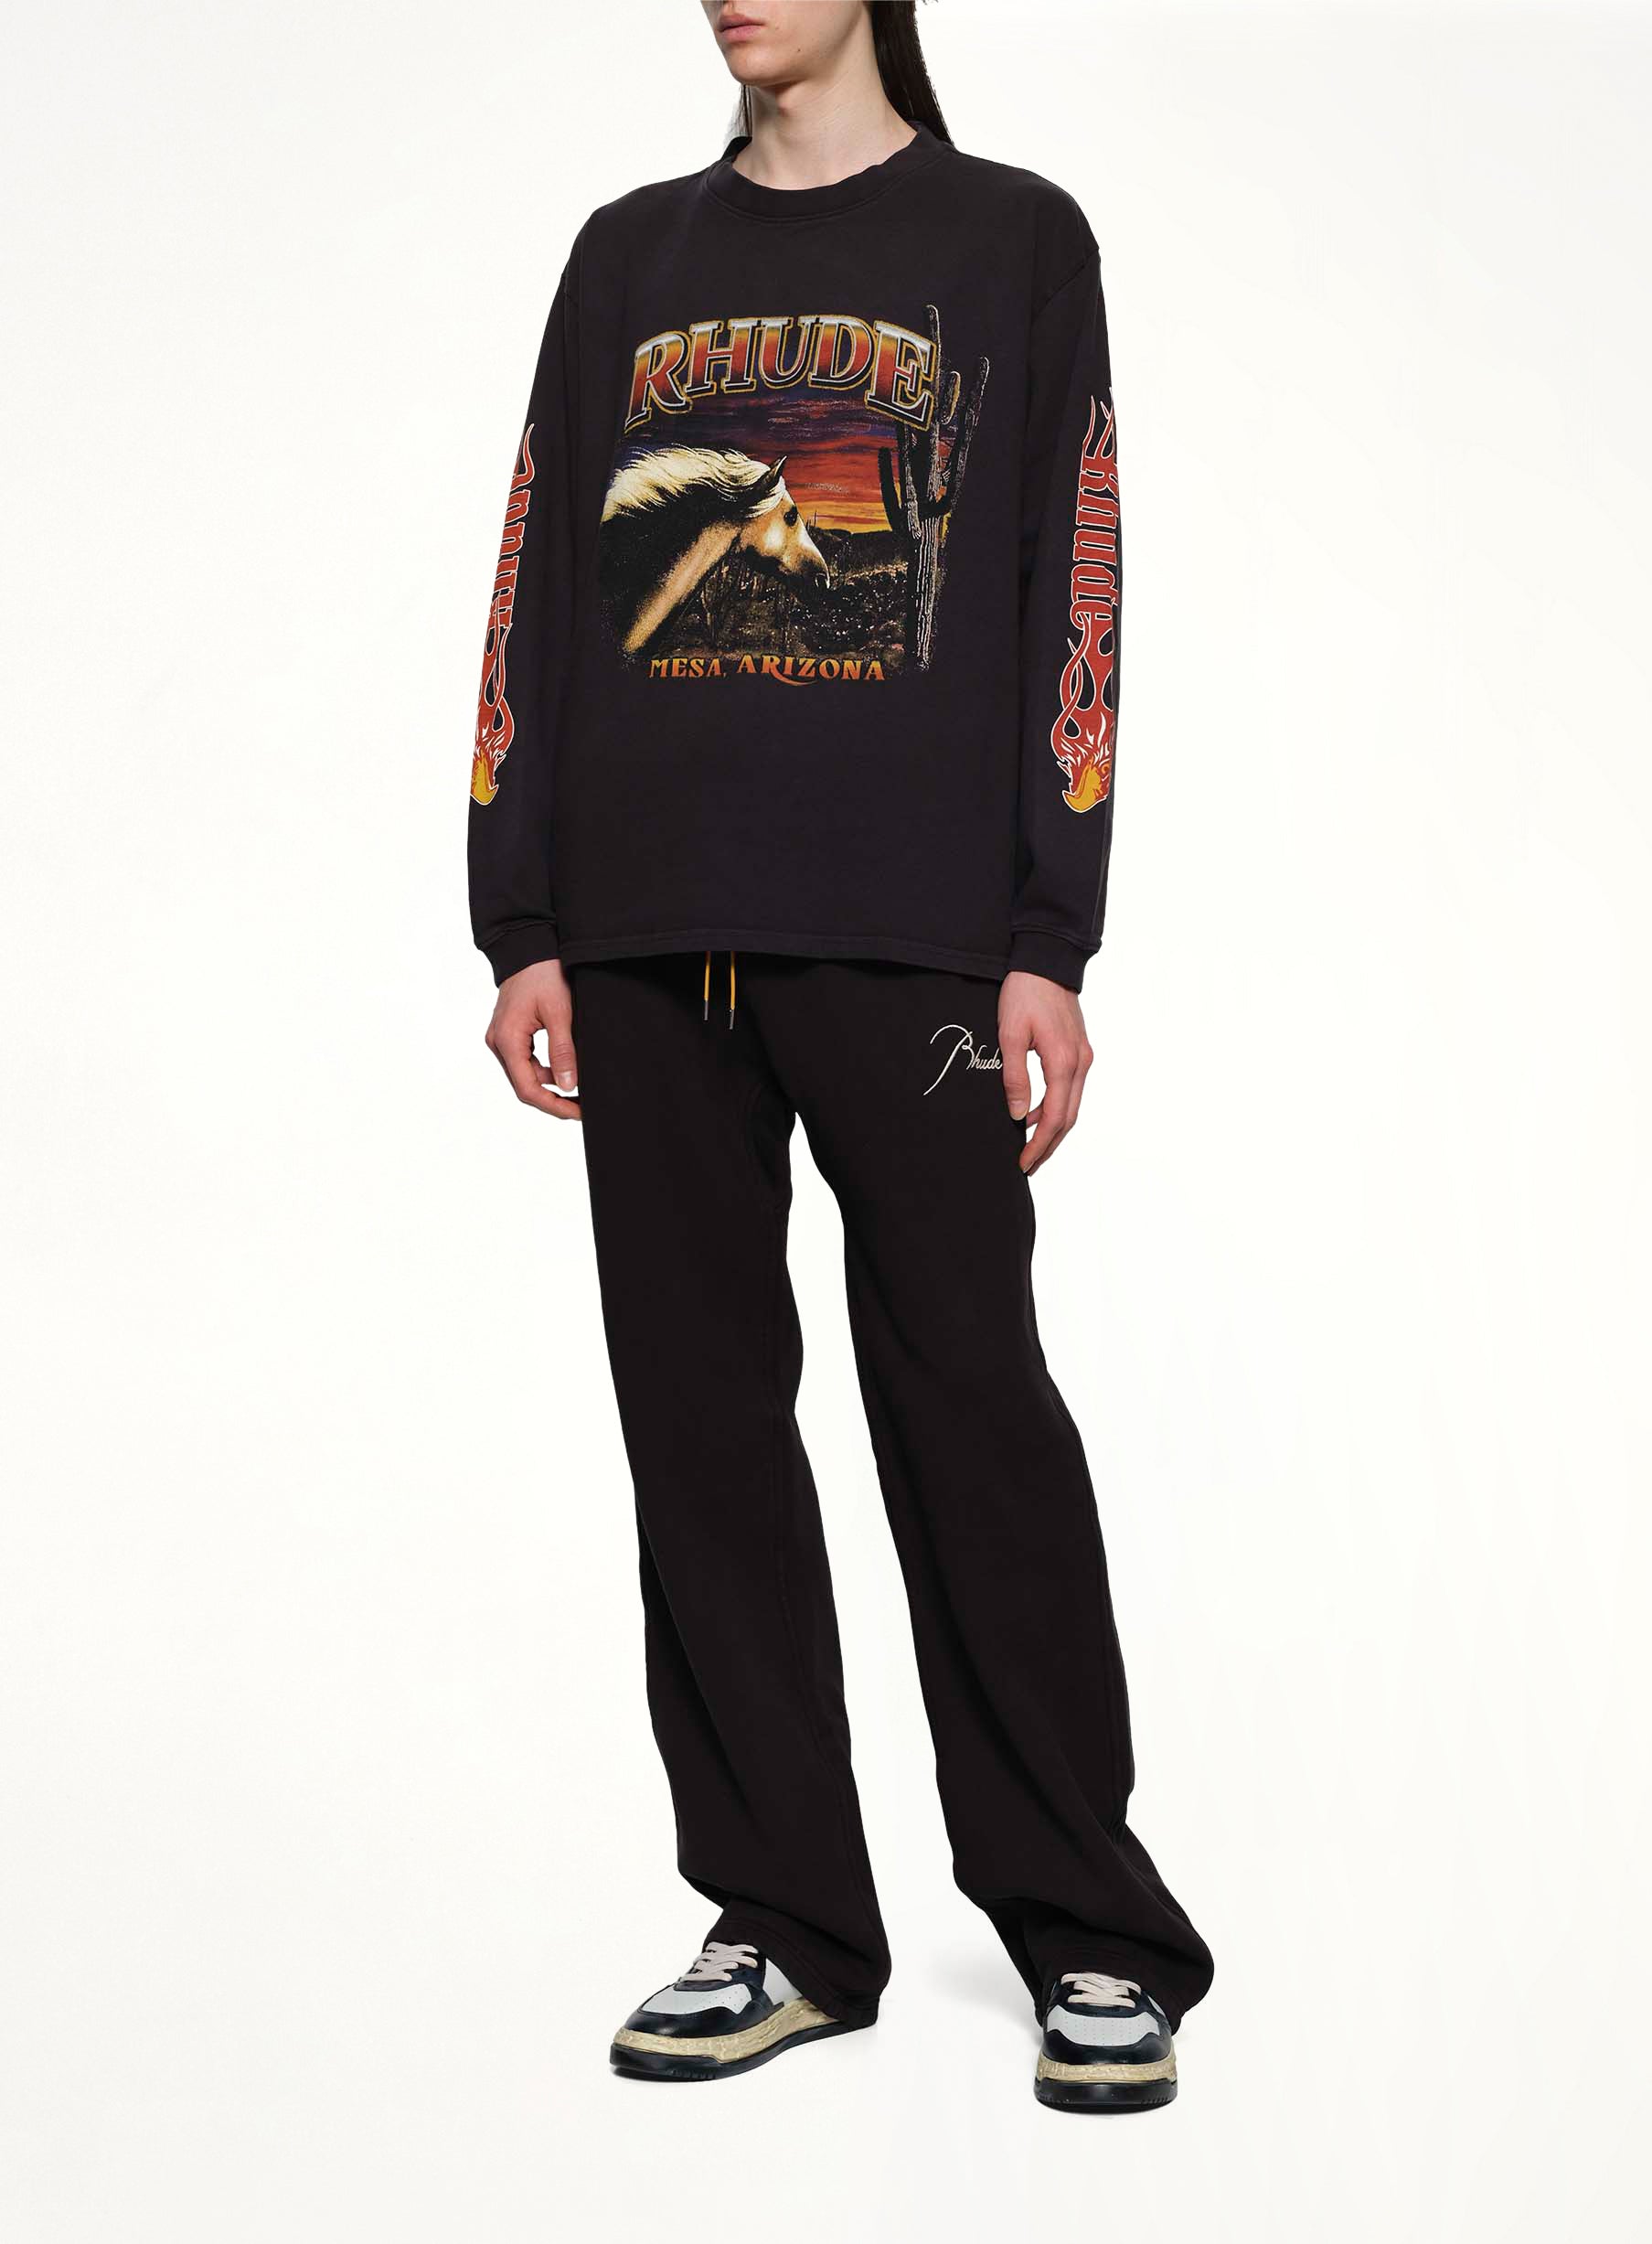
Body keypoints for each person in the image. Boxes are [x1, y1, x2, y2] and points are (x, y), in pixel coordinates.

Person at [468, 0, 1212, 2113]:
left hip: (910, 946)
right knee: (699, 1434)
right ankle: (783, 1919)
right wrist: (521, 907)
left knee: (969, 1414)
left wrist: (1046, 936)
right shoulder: (624, 256)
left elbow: (1074, 568)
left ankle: (1090, 1927)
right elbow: (538, 573)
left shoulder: (1009, 240)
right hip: (641, 935)